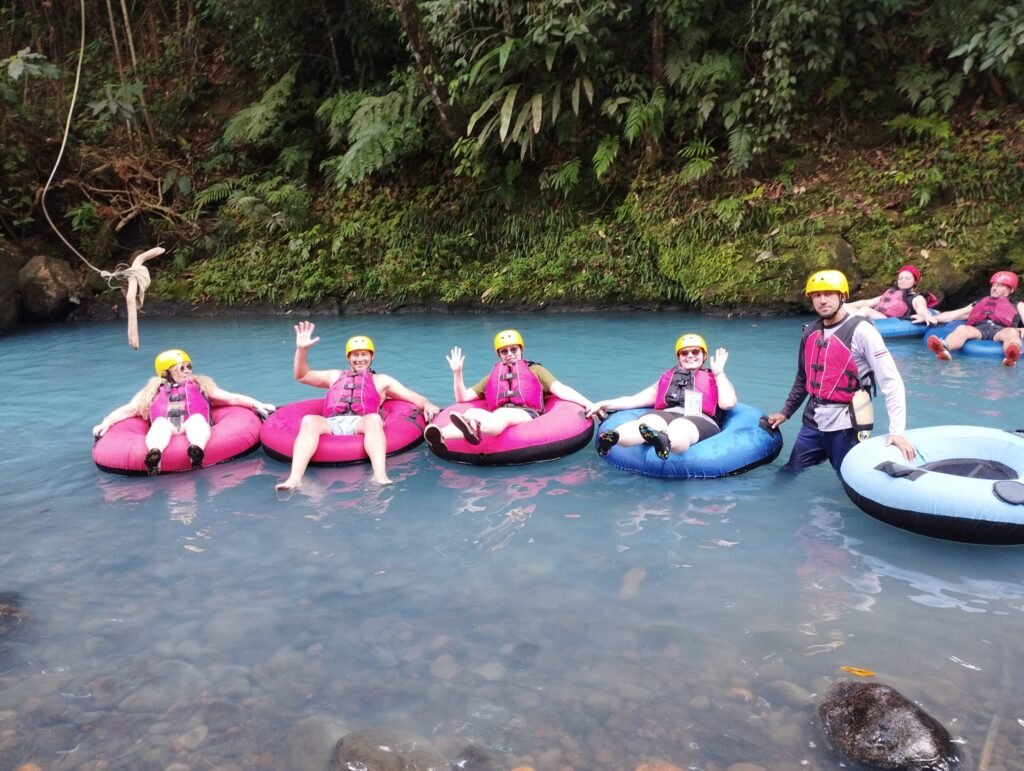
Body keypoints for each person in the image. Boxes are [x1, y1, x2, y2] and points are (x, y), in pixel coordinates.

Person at [766, 270, 916, 473]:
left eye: (829, 294)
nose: (822, 300)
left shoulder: (863, 331)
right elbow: (803, 378)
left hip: (848, 425)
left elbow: (891, 381)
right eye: (817, 295)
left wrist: (897, 431)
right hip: (813, 421)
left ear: (842, 296)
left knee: (848, 478)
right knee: (790, 470)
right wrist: (785, 413)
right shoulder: (810, 332)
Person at [275, 322, 439, 490]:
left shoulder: (381, 380)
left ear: (371, 356)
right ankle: (295, 478)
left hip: (361, 423)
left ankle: (379, 476)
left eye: (364, 354)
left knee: (374, 419)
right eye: (355, 355)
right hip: (331, 422)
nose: (360, 359)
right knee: (309, 420)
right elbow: (302, 375)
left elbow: (411, 396)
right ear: (348, 358)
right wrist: (302, 350)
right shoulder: (334, 375)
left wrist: (427, 404)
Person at [93, 349, 276, 474]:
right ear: (166, 373)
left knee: (197, 419)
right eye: (182, 368)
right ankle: (154, 454)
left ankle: (196, 449)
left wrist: (257, 404)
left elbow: (231, 398)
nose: (188, 371)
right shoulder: (152, 390)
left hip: (191, 422)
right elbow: (129, 409)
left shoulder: (200, 385)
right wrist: (106, 422)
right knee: (159, 424)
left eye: (189, 366)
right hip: (168, 426)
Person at [423, 329, 593, 451]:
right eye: (504, 351)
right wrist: (457, 373)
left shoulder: (535, 370)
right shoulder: (493, 376)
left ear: (521, 350)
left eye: (513, 349)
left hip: (526, 413)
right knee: (471, 412)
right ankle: (442, 433)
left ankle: (471, 427)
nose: (509, 354)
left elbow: (561, 390)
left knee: (501, 417)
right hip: (498, 413)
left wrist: (589, 404)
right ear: (499, 355)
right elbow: (463, 397)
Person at [583, 333, 737, 459]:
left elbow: (728, 404)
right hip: (668, 413)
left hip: (700, 419)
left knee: (680, 427)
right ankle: (614, 437)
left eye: (695, 352)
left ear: (704, 356)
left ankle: (665, 441)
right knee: (649, 422)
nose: (690, 356)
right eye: (684, 353)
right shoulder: (668, 379)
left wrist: (719, 373)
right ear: (679, 358)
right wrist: (604, 404)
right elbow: (634, 400)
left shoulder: (715, 378)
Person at [921, 270, 1024, 367]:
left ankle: (1011, 356)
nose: (994, 288)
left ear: (1011, 289)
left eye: (1000, 285)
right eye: (993, 285)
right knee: (962, 328)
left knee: (1011, 332)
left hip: (1001, 330)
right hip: (978, 328)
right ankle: (944, 349)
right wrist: (930, 317)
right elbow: (955, 314)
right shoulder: (979, 302)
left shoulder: (1018, 305)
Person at [844, 264, 937, 320]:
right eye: (901, 278)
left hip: (889, 321)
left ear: (915, 282)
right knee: (844, 307)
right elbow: (867, 302)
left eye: (907, 278)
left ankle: (848, 332)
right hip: (876, 316)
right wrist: (844, 305)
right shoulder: (892, 292)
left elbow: (921, 308)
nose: (903, 280)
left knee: (865, 310)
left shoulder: (917, 297)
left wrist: (926, 315)